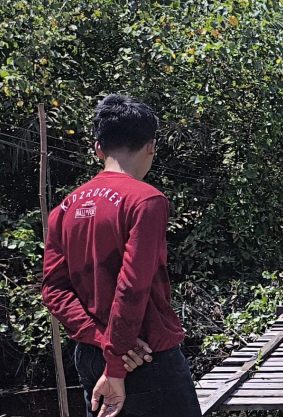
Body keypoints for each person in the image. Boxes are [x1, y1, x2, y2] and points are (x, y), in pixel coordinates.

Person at [42, 95, 201, 417]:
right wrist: (116, 364)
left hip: (90, 353)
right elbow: (132, 287)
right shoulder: (146, 201)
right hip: (143, 358)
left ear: (98, 148)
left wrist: (102, 342)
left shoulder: (65, 208)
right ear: (152, 146)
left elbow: (53, 290)